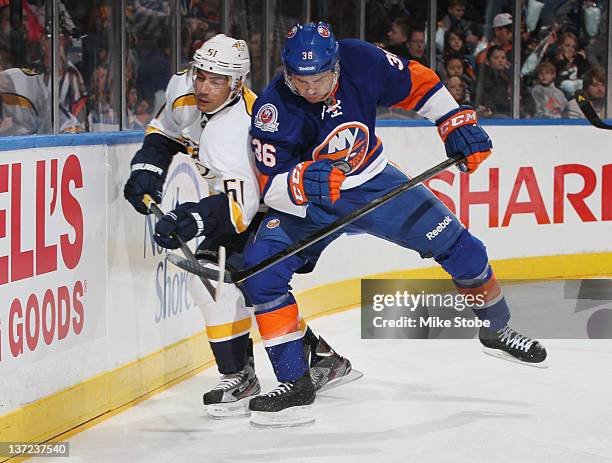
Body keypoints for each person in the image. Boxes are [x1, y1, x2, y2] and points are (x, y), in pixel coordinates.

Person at [243, 22, 547, 427]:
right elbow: (270, 187)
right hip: (310, 204)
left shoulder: (361, 59)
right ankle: (295, 383)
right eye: (301, 81)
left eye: (319, 79)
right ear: (286, 72)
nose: (311, 89)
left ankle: (496, 329)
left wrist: (453, 121)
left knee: (463, 249)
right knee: (259, 274)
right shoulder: (272, 109)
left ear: (336, 65)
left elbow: (419, 83)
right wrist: (301, 181)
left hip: (375, 183)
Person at [123, 34, 353, 419]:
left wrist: (190, 217)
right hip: (248, 199)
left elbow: (240, 211)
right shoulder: (183, 90)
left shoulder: (237, 127)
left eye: (217, 80)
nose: (204, 87)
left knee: (240, 278)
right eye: (201, 76)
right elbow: (166, 130)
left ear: (238, 83)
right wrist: (148, 166)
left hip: (284, 204)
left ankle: (259, 371)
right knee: (216, 279)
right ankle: (314, 358)